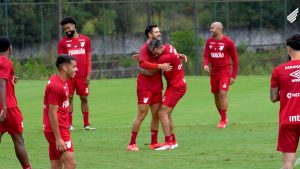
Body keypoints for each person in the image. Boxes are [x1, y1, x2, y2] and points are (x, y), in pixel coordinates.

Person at [127, 25, 172, 151]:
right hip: (145, 86)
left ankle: (154, 142)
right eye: (156, 32)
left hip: (157, 85)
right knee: (142, 114)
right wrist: (159, 66)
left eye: (159, 31)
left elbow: (167, 53)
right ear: (149, 34)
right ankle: (131, 143)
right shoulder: (145, 48)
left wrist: (179, 55)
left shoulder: (158, 45)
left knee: (156, 114)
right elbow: (142, 63)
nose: (159, 33)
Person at [139, 39, 187, 150]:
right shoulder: (169, 46)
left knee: (161, 113)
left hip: (176, 87)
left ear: (160, 47)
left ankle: (168, 142)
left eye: (156, 52)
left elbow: (150, 70)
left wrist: (140, 68)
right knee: (167, 114)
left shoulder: (164, 58)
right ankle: (173, 141)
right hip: (176, 85)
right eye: (153, 53)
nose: (155, 54)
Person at [57, 16, 95, 130]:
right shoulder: (62, 43)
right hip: (69, 77)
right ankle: (69, 124)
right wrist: (62, 77)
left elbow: (88, 59)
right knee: (69, 98)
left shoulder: (86, 40)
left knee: (84, 98)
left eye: (68, 27)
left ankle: (86, 124)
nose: (67, 30)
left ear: (74, 26)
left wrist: (88, 74)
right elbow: (60, 62)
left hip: (82, 76)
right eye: (64, 29)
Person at [0, 37, 32, 169]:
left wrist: (12, 79)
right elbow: (1, 84)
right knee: (19, 140)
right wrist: (5, 108)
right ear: (10, 48)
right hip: (9, 107)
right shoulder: (6, 62)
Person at [270, 34, 300, 169]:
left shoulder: (278, 70)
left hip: (288, 120)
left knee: (287, 163)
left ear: (288, 49)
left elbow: (273, 97)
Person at [43, 54, 78, 169]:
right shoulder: (56, 86)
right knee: (71, 163)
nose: (76, 69)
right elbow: (52, 113)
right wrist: (58, 138)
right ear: (65, 68)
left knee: (57, 164)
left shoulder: (62, 81)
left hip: (57, 128)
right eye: (74, 67)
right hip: (57, 130)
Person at [203, 21, 239, 128]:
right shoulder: (209, 41)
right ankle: (223, 117)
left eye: (212, 28)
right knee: (216, 95)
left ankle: (223, 120)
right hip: (214, 72)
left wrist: (233, 76)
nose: (210, 30)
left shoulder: (229, 42)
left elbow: (235, 60)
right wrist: (205, 64)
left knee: (223, 93)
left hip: (225, 71)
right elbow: (206, 55)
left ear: (219, 29)